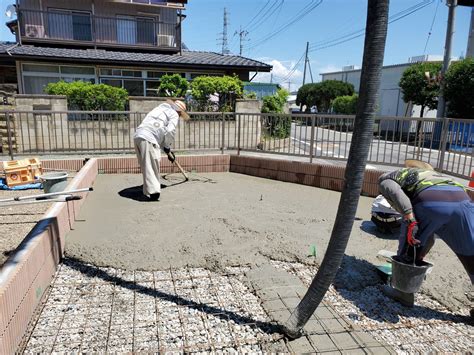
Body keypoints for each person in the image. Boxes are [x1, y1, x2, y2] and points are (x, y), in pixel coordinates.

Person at [378, 160, 474, 314]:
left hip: (432, 201)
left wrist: (409, 215)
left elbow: (393, 190)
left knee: (409, 242)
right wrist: (422, 253)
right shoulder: (434, 175)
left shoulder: (390, 176)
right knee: (471, 255)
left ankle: (404, 294)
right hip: (464, 203)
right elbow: (430, 237)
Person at [133, 100, 189, 201]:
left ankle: (148, 189)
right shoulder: (174, 114)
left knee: (146, 165)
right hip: (148, 137)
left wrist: (168, 151)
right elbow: (170, 131)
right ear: (179, 112)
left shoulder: (159, 109)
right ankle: (154, 192)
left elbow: (160, 133)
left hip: (138, 136)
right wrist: (167, 147)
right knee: (152, 165)